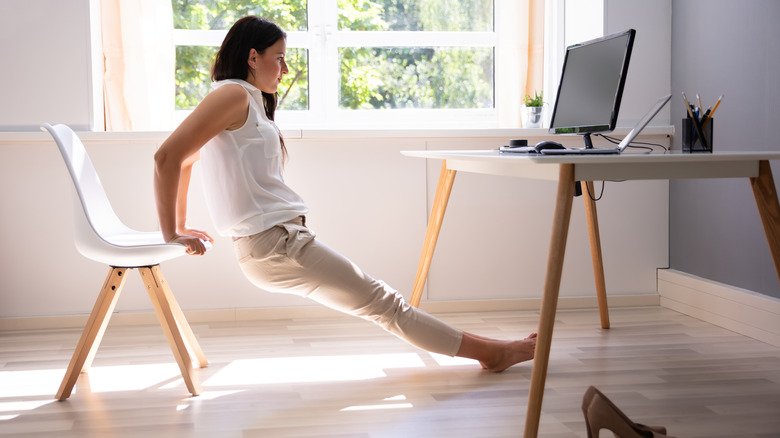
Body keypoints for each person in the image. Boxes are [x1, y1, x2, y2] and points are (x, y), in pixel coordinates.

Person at [154, 16, 536, 373]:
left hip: (277, 242)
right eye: (280, 58)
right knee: (387, 305)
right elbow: (167, 156)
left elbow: (185, 160)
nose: (285, 70)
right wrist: (172, 231)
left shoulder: (243, 98)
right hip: (275, 243)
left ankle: (492, 349)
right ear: (253, 57)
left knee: (384, 304)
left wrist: (183, 222)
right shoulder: (234, 94)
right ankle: (495, 354)